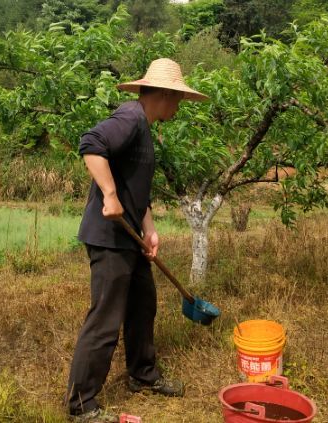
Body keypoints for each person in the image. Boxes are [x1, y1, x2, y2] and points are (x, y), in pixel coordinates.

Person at [66, 58, 208, 422]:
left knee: (143, 307)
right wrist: (109, 195)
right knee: (105, 320)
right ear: (163, 94)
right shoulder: (130, 117)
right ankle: (81, 404)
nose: (179, 107)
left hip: (130, 236)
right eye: (177, 99)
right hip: (110, 238)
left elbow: (136, 190)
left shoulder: (145, 128)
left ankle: (142, 375)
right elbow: (91, 144)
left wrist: (150, 228)